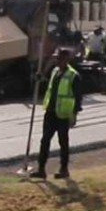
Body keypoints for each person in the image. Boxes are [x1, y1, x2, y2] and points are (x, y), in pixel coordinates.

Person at [31, 48, 82, 180]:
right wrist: (40, 78)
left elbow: (78, 97)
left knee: (63, 142)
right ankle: (41, 169)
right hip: (50, 112)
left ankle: (64, 169)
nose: (56, 61)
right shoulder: (55, 72)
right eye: (56, 58)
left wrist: (74, 115)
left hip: (63, 114)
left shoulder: (73, 75)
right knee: (45, 140)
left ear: (66, 59)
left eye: (59, 58)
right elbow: (51, 88)